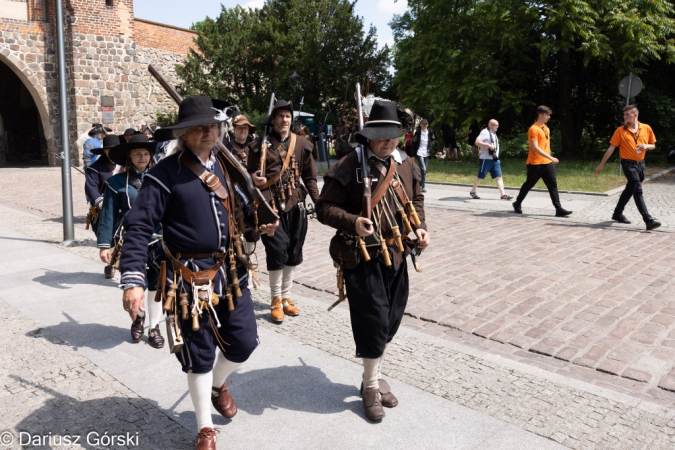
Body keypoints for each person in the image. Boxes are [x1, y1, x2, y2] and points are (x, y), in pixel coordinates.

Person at [119, 96, 277, 450]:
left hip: (230, 268)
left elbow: (235, 213)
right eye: (200, 127)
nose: (209, 132)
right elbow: (139, 227)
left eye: (213, 126)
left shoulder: (225, 164)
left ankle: (220, 384)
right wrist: (132, 279)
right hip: (187, 277)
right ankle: (205, 427)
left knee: (244, 342)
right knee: (200, 351)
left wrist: (257, 226)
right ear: (184, 134)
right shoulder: (163, 174)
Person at [316, 100, 430, 421]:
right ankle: (370, 386)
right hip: (362, 257)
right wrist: (352, 221)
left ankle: (376, 374)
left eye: (392, 134)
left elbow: (417, 198)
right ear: (368, 135)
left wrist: (420, 228)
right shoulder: (349, 163)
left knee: (391, 318)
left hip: (397, 253)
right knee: (373, 321)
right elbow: (324, 208)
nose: (387, 140)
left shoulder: (405, 162)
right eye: (380, 134)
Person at [248, 100, 320, 323]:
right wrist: (254, 178)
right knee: (277, 252)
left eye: (287, 116)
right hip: (269, 207)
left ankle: (287, 297)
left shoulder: (302, 144)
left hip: (296, 205)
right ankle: (275, 300)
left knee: (293, 252)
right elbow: (249, 175)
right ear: (273, 120)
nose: (284, 120)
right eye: (280, 116)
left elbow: (309, 177)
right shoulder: (259, 145)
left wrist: (318, 201)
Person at [98, 135, 164, 348]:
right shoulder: (115, 183)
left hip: (159, 240)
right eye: (138, 153)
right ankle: (138, 319)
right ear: (129, 157)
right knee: (134, 284)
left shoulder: (160, 178)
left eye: (146, 153)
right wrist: (104, 244)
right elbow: (107, 214)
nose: (143, 157)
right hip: (131, 242)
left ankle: (154, 327)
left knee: (157, 286)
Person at [594, 105, 661, 230]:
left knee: (629, 189)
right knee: (637, 189)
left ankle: (617, 214)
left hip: (641, 164)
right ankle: (648, 219)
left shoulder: (646, 128)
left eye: (627, 114)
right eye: (624, 115)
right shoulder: (620, 130)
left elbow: (653, 145)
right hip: (628, 164)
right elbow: (611, 148)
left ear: (635, 115)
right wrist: (601, 165)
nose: (625, 117)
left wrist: (646, 146)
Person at [512, 106, 572, 217]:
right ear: (540, 115)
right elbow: (535, 147)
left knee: (552, 185)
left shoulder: (546, 128)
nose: (549, 117)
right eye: (547, 115)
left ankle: (558, 209)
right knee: (529, 184)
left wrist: (549, 159)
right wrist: (551, 157)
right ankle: (517, 203)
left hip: (547, 163)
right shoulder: (533, 129)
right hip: (535, 164)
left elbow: (545, 146)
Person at [84, 134, 120, 241]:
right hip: (104, 212)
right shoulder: (95, 168)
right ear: (104, 151)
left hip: (123, 211)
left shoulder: (126, 165)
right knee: (109, 245)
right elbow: (91, 187)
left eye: (115, 150)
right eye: (109, 149)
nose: (112, 152)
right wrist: (100, 202)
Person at [469, 119, 512, 200]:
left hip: (495, 159)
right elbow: (477, 142)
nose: (497, 127)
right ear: (490, 125)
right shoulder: (485, 132)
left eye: (497, 125)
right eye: (496, 125)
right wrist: (488, 145)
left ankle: (503, 194)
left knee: (499, 177)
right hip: (486, 159)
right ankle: (473, 191)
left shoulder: (493, 133)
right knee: (480, 176)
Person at [411, 119, 435, 193]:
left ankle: (422, 186)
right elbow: (414, 142)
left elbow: (433, 140)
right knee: (423, 169)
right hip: (419, 152)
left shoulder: (430, 132)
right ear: (420, 125)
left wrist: (431, 146)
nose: (424, 126)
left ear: (427, 125)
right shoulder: (418, 132)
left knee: (424, 171)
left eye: (426, 124)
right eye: (423, 124)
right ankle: (420, 185)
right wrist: (413, 154)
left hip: (426, 153)